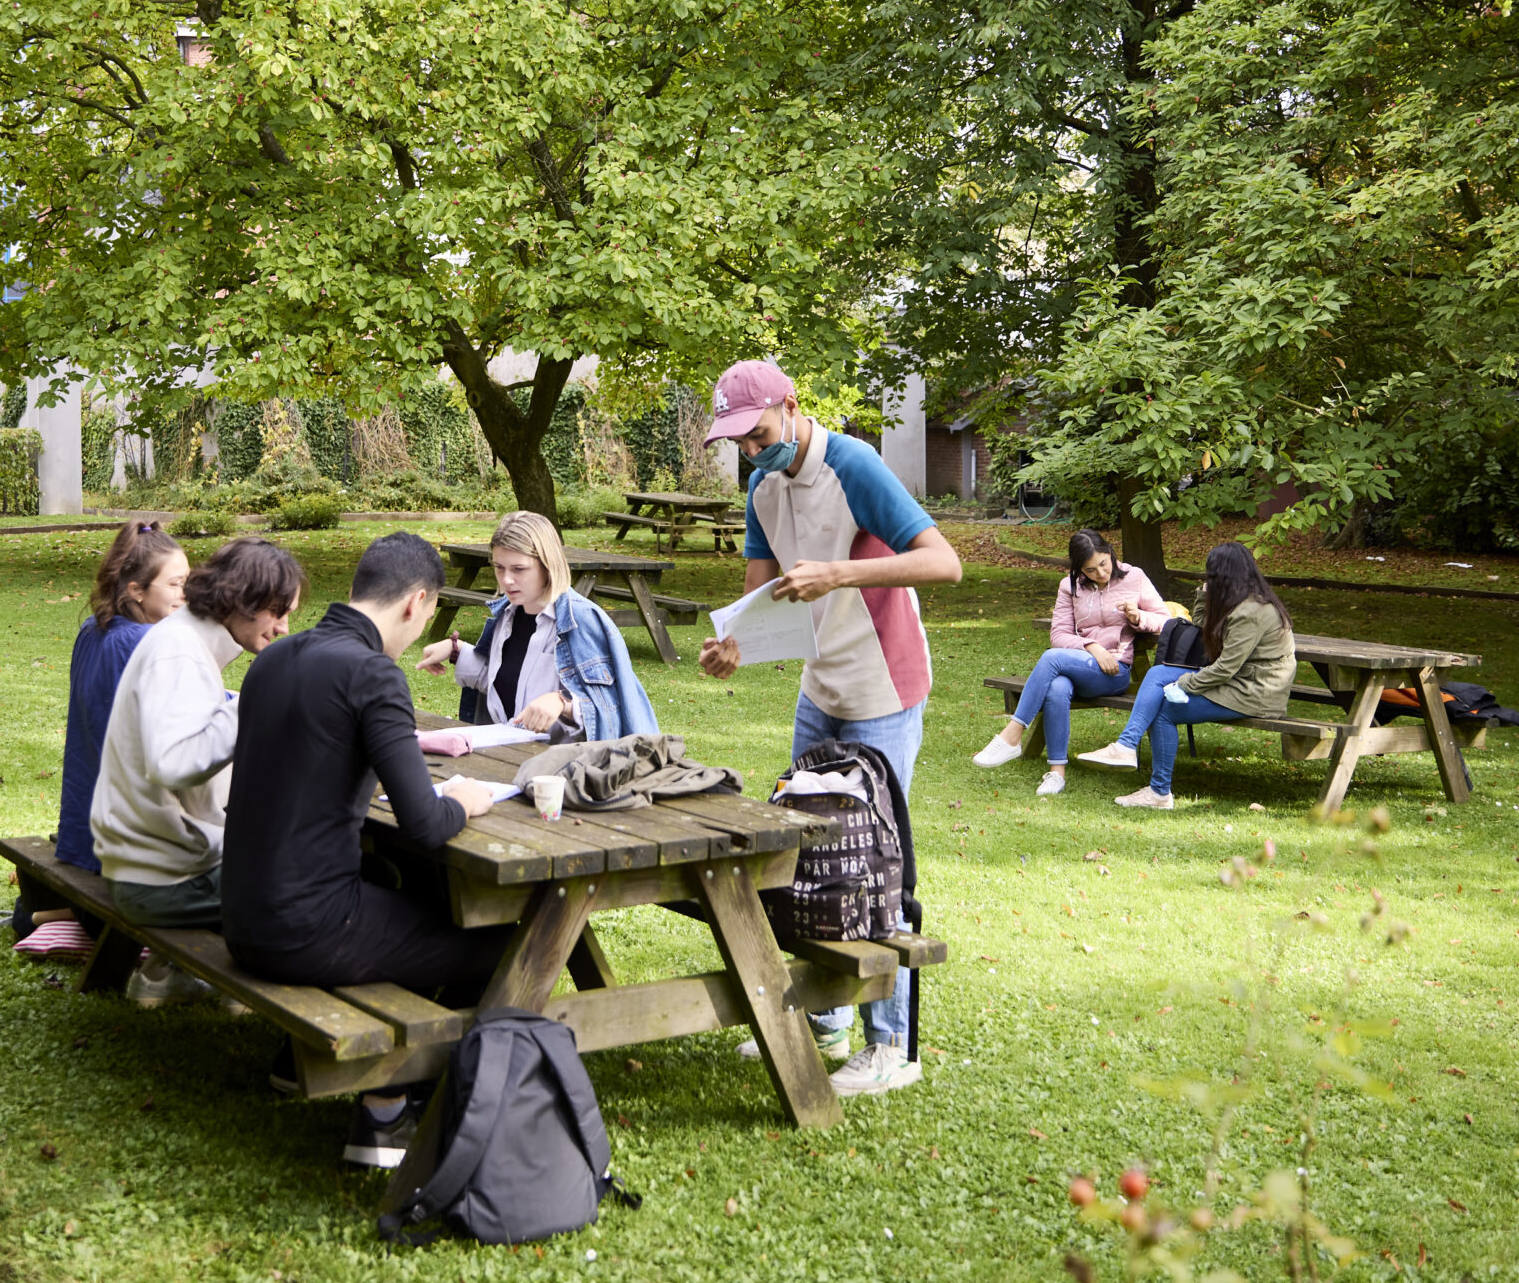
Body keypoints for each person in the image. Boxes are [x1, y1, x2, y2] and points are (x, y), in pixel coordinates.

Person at [696, 360, 963, 1097]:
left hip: (883, 685)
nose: (752, 451)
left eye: (759, 434)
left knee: (872, 860)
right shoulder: (762, 487)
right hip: (820, 685)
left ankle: (891, 1046)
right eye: (739, 442)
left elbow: (945, 563)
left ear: (790, 405)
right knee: (804, 852)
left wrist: (838, 573)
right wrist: (730, 648)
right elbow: (757, 599)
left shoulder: (855, 465)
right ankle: (826, 1017)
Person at [220, 531, 506, 1168]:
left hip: (240, 914)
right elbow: (425, 824)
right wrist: (467, 800)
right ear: (416, 602)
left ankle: (299, 1058)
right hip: (308, 928)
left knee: (395, 881)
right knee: (500, 942)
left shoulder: (273, 659)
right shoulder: (373, 674)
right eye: (427, 618)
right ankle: (386, 1110)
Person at [91, 536, 307, 1001]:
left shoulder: (184, 640)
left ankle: (167, 975)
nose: (284, 627)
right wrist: (252, 702)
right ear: (241, 601)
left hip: (153, 866)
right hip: (162, 882)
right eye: (278, 612)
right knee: (321, 885)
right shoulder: (178, 653)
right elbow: (175, 763)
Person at [16, 522, 189, 941]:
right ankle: (64, 915)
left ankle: (51, 914)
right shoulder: (146, 643)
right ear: (136, 590)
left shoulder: (93, 629)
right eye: (176, 584)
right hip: (125, 839)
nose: (187, 594)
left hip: (85, 828)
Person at [413, 510, 660, 741]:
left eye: (519, 569)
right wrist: (456, 651)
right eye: (499, 568)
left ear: (547, 565)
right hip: (509, 755)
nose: (506, 580)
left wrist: (562, 703)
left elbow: (611, 712)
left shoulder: (582, 620)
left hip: (565, 767)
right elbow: (509, 684)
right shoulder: (506, 614)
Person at [1104, 542, 1297, 810]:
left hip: (1256, 692)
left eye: (1211, 575)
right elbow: (1201, 626)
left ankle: (1158, 791)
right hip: (1240, 681)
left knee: (1164, 710)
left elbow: (1226, 668)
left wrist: (1184, 683)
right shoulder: (1239, 602)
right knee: (1158, 672)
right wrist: (1203, 595)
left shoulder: (1251, 612)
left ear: (1223, 576)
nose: (1208, 579)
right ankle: (1126, 745)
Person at [973, 531, 1165, 795]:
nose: (1100, 573)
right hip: (1082, 667)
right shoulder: (1069, 586)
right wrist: (1092, 646)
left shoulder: (1135, 577)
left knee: (1051, 658)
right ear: (1079, 569)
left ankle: (1013, 734)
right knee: (1057, 687)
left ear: (1110, 552)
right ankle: (1056, 773)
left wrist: (1138, 616)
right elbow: (1059, 635)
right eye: (1090, 570)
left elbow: (1166, 620)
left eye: (1103, 564)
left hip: (1115, 671)